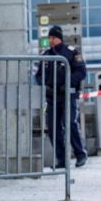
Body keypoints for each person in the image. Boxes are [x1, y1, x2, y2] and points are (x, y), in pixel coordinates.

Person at [35, 25, 88, 168]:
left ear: (59, 38)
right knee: (53, 127)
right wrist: (45, 87)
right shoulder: (45, 55)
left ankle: (80, 155)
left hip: (68, 95)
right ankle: (62, 158)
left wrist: (68, 82)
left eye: (53, 38)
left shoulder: (71, 53)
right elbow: (39, 75)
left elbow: (81, 71)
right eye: (49, 38)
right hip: (52, 97)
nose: (50, 40)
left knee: (70, 123)